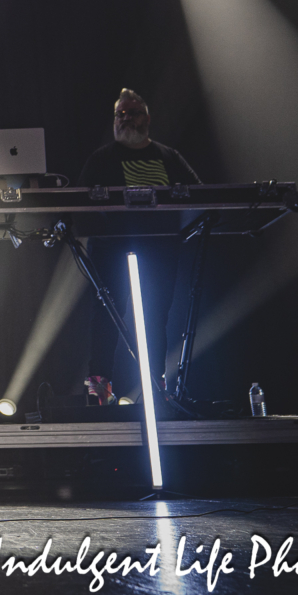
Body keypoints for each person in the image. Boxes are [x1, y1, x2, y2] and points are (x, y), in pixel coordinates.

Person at [76, 88, 201, 406]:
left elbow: (199, 195)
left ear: (147, 118)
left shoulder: (168, 156)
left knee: (156, 316)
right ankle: (99, 388)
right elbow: (79, 202)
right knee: (106, 314)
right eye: (120, 113)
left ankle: (155, 388)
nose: (125, 118)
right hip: (110, 247)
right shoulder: (102, 158)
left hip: (160, 247)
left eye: (131, 112)